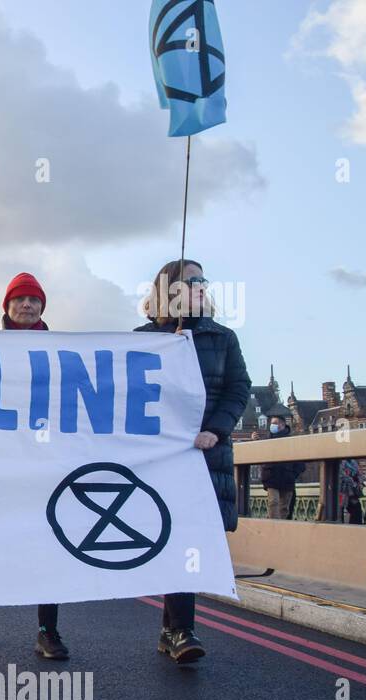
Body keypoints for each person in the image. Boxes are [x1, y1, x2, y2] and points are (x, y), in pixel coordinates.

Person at [135, 259, 250, 664]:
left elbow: (239, 388)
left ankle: (176, 629)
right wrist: (170, 349)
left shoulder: (223, 338)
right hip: (160, 458)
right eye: (190, 280)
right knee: (170, 536)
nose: (200, 285)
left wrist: (215, 430)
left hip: (206, 452)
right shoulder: (144, 339)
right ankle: (178, 630)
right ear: (169, 290)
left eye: (203, 279)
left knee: (190, 541)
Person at [0, 273, 68, 660]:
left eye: (33, 300)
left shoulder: (62, 353)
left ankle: (47, 630)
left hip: (41, 464)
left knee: (48, 544)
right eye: (19, 299)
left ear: (42, 308)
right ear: (5, 307)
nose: (26, 305)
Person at [259, 407, 304, 519]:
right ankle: (274, 529)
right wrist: (254, 441)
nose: (272, 426)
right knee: (273, 502)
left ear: (282, 425)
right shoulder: (266, 439)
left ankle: (281, 530)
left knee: (284, 508)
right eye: (271, 423)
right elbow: (258, 454)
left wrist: (293, 474)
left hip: (287, 478)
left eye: (275, 423)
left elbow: (300, 463)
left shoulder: (291, 441)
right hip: (271, 477)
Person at [339, 458, 364, 524]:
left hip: (352, 492)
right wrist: (353, 483)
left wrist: (360, 482)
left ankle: (355, 528)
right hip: (341, 491)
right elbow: (342, 475)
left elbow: (359, 474)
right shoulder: (340, 462)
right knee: (339, 510)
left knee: (357, 509)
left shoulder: (353, 462)